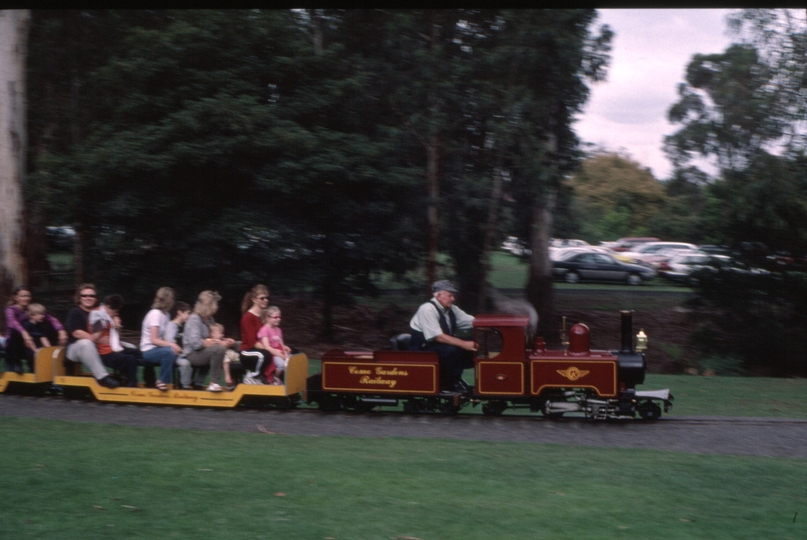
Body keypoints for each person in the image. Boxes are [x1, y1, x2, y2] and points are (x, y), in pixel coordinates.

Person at [409, 280, 477, 393]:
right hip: (421, 350)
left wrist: (490, 325)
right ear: (439, 296)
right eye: (450, 295)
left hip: (438, 347)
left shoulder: (452, 310)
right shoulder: (427, 309)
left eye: (453, 296)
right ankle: (447, 384)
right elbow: (438, 337)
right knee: (451, 350)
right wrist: (464, 344)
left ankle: (455, 379)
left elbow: (471, 322)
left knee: (470, 343)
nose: (453, 299)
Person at [63, 284, 120, 389]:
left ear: (96, 298)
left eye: (91, 296)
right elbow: (77, 333)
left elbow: (112, 321)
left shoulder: (100, 312)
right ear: (79, 298)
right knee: (86, 343)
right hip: (76, 349)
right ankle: (102, 377)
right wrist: (98, 340)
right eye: (84, 295)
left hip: (98, 346)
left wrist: (115, 318)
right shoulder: (75, 312)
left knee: (128, 346)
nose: (88, 298)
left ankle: (125, 376)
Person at [3, 285, 67, 373]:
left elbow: (51, 319)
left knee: (47, 326)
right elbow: (12, 322)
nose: (26, 298)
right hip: (14, 343)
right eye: (23, 296)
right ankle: (15, 363)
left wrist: (61, 331)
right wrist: (24, 333)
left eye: (28, 296)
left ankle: (52, 355)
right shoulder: (11, 310)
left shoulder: (31, 309)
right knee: (15, 331)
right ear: (16, 297)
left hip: (30, 343)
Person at [182, 290, 231, 392]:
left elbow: (213, 337)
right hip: (193, 354)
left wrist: (227, 341)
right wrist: (218, 343)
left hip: (204, 351)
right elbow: (196, 344)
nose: (217, 306)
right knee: (219, 349)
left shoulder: (210, 320)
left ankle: (234, 382)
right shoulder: (194, 319)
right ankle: (214, 383)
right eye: (215, 304)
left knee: (236, 345)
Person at [89, 294, 140, 388]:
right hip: (104, 352)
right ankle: (132, 385)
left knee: (138, 353)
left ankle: (136, 379)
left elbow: (118, 336)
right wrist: (107, 324)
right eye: (115, 311)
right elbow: (95, 337)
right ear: (107, 307)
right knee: (130, 359)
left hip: (114, 347)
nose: (116, 313)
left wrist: (118, 326)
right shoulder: (97, 314)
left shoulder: (110, 316)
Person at [139, 287, 181, 391]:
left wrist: (174, 344)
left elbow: (165, 337)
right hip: (148, 350)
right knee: (169, 352)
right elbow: (154, 340)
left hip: (158, 349)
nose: (173, 301)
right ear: (168, 300)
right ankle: (161, 381)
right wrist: (171, 345)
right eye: (172, 298)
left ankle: (182, 384)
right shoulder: (155, 314)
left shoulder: (166, 315)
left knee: (175, 352)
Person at [237, 284, 272, 385]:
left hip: (259, 349)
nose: (266, 300)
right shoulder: (248, 317)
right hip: (247, 351)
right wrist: (269, 349)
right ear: (254, 299)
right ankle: (251, 376)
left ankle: (272, 378)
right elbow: (253, 342)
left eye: (267, 298)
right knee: (265, 355)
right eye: (262, 298)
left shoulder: (264, 316)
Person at [258, 306, 291, 385]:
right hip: (271, 353)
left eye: (279, 317)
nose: (278, 319)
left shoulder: (278, 330)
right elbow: (266, 347)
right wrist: (281, 355)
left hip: (279, 351)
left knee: (292, 361)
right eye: (275, 317)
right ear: (267, 318)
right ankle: (275, 377)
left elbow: (281, 344)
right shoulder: (264, 330)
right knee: (281, 365)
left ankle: (287, 381)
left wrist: (285, 353)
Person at [165, 301, 191, 388]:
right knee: (185, 364)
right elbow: (170, 342)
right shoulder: (171, 326)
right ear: (179, 312)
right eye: (188, 313)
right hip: (175, 354)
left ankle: (193, 383)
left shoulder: (184, 326)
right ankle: (185, 387)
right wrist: (181, 350)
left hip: (183, 354)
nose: (189, 316)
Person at [209, 322, 241, 390]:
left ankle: (240, 378)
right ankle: (227, 376)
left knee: (240, 357)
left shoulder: (223, 339)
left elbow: (228, 343)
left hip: (231, 354)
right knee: (225, 358)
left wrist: (230, 341)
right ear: (212, 334)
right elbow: (214, 344)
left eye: (222, 333)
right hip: (222, 356)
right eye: (220, 333)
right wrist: (219, 342)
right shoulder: (211, 340)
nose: (222, 334)